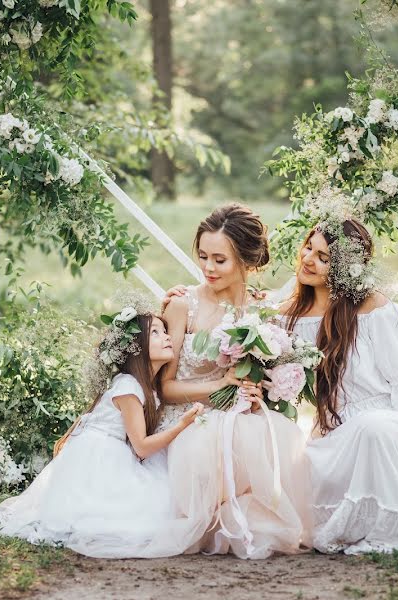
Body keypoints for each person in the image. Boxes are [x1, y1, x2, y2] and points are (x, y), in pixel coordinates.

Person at [279, 217, 398, 554]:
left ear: (344, 269)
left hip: (387, 427)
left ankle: (390, 531)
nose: (308, 259)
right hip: (333, 435)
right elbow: (240, 309)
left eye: (324, 258)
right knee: (307, 467)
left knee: (374, 428)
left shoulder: (373, 309)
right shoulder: (288, 316)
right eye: (309, 248)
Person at [0, 303, 206, 558]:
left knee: (158, 500)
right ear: (136, 347)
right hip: (100, 455)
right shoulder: (130, 387)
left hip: (114, 451)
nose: (167, 337)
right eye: (156, 332)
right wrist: (182, 425)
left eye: (165, 331)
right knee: (127, 520)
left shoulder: (146, 388)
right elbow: (142, 447)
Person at [157, 203, 311, 559]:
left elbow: (264, 376)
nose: (208, 268)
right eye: (203, 256)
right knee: (210, 441)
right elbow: (164, 389)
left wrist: (256, 391)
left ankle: (239, 515)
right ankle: (210, 513)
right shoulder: (184, 306)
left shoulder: (261, 312)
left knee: (279, 433)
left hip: (238, 417)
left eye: (219, 260)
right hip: (188, 418)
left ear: (245, 261)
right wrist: (218, 388)